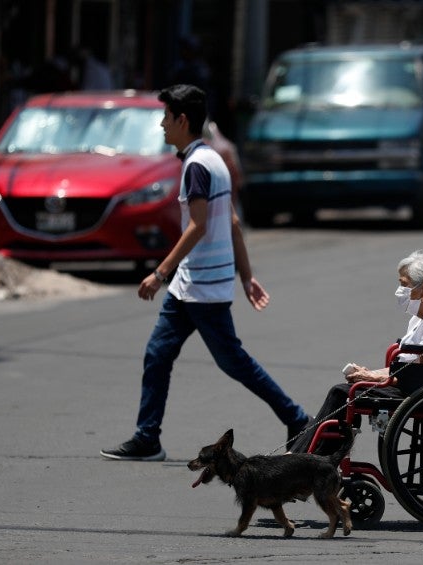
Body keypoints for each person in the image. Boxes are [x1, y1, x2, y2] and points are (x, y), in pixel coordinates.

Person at [101, 84, 309, 461]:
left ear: (183, 120)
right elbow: (231, 221)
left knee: (234, 362)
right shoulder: (214, 160)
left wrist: (159, 273)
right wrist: (246, 276)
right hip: (191, 285)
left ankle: (296, 418)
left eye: (166, 118)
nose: (162, 125)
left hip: (203, 286)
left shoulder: (197, 165)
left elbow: (198, 225)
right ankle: (147, 437)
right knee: (158, 354)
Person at [288, 250, 423, 455]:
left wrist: (377, 379)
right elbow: (412, 364)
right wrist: (373, 374)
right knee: (352, 388)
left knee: (342, 392)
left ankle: (299, 459)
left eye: (404, 284)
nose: (399, 291)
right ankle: (316, 457)